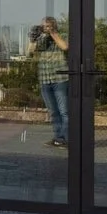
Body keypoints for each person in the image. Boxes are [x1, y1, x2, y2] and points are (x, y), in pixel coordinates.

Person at [28, 16, 69, 147]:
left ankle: (68, 139)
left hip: (60, 79)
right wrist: (33, 39)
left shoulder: (62, 35)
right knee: (53, 112)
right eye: (43, 26)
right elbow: (30, 52)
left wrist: (52, 33)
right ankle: (58, 138)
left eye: (47, 26)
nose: (45, 28)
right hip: (45, 79)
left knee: (64, 111)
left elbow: (65, 47)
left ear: (53, 26)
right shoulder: (40, 39)